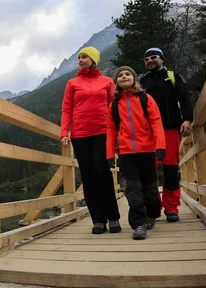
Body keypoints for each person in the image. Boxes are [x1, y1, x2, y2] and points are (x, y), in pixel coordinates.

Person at [61, 46, 121, 234]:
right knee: (88, 176)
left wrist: (117, 130)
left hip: (102, 131)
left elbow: (113, 105)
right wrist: (65, 132)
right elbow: (67, 109)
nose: (80, 59)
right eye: (79, 57)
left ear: (93, 59)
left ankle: (113, 218)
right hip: (80, 134)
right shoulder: (72, 83)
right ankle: (98, 220)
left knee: (102, 171)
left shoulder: (107, 81)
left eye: (84, 56)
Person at [107, 66, 166, 240]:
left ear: (134, 79)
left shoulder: (145, 99)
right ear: (116, 82)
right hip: (126, 152)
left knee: (150, 189)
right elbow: (110, 131)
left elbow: (156, 122)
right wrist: (110, 154)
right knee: (132, 188)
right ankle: (139, 223)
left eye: (128, 74)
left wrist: (160, 146)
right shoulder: (114, 105)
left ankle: (153, 212)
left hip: (147, 149)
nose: (124, 77)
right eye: (120, 75)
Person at [139, 48, 194, 223]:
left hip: (170, 129)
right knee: (148, 172)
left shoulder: (173, 76)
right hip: (148, 133)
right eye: (146, 59)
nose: (150, 60)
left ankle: (171, 208)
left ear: (161, 59)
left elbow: (185, 98)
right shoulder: (142, 82)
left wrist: (187, 120)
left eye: (153, 57)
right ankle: (151, 208)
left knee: (170, 169)